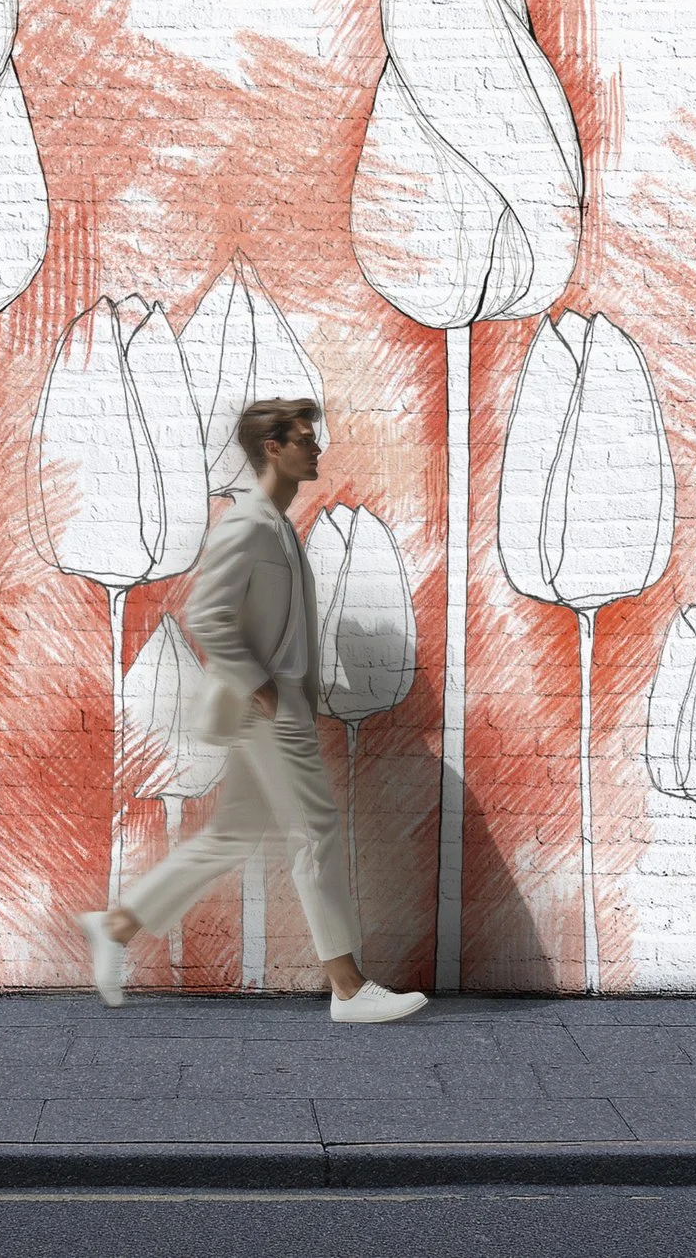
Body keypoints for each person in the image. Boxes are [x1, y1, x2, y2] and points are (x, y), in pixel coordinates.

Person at [77, 397, 427, 1024]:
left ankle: (118, 925)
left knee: (230, 837)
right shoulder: (247, 525)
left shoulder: (276, 523)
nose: (315, 449)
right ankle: (348, 989)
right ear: (273, 448)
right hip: (266, 708)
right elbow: (207, 613)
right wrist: (262, 688)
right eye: (304, 439)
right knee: (314, 834)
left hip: (273, 703)